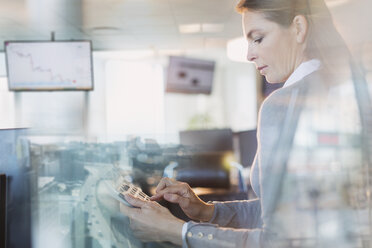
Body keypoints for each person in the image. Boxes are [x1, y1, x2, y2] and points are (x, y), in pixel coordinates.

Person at [120, 0, 366, 247]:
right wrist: (207, 212)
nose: (249, 54)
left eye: (257, 38)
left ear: (299, 28)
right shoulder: (345, 92)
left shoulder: (282, 105)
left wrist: (177, 231)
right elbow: (290, 216)